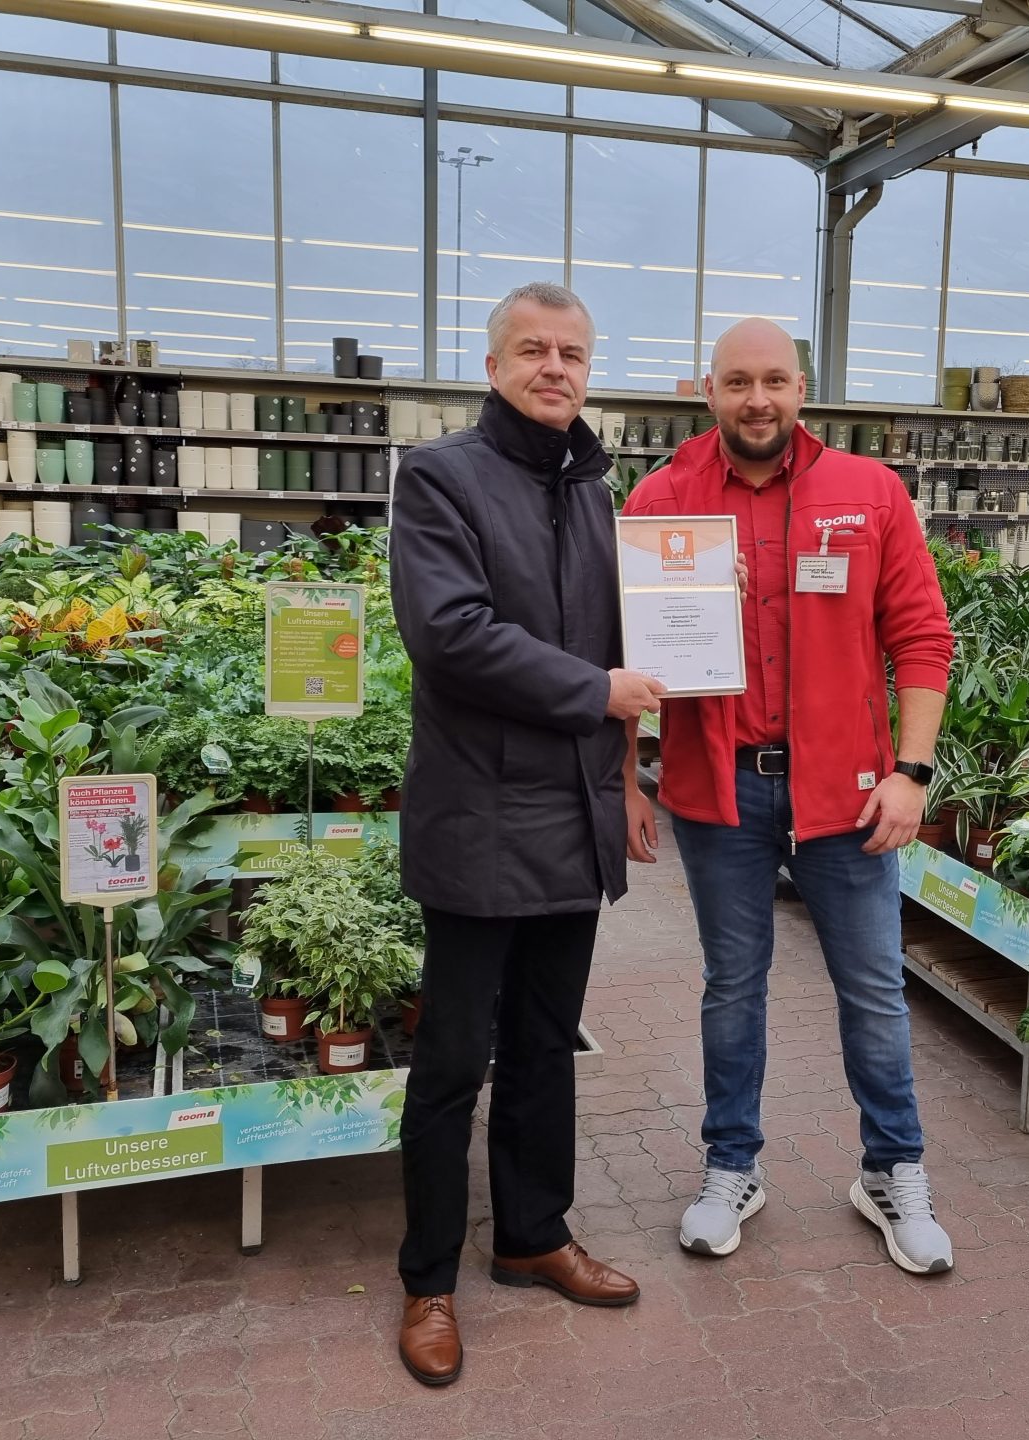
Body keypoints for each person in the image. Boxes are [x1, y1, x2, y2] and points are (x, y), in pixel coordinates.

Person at [621, 317, 956, 1275]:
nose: (756, 399)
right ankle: (733, 1167)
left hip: (847, 793)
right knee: (733, 988)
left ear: (802, 388)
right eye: (737, 382)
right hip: (716, 789)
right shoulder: (664, 497)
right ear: (708, 390)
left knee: (873, 990)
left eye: (774, 380)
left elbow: (921, 639)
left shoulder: (867, 492)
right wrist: (626, 781)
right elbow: (631, 656)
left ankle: (892, 1172)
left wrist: (912, 771)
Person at [389, 281, 666, 1388]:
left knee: (549, 1045)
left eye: (574, 354)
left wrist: (631, 773)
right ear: (494, 365)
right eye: (534, 351)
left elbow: (624, 641)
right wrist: (596, 693)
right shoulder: (443, 478)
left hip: (574, 811)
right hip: (479, 816)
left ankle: (532, 1235)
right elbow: (451, 635)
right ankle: (426, 1282)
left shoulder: (598, 496)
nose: (557, 368)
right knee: (455, 1058)